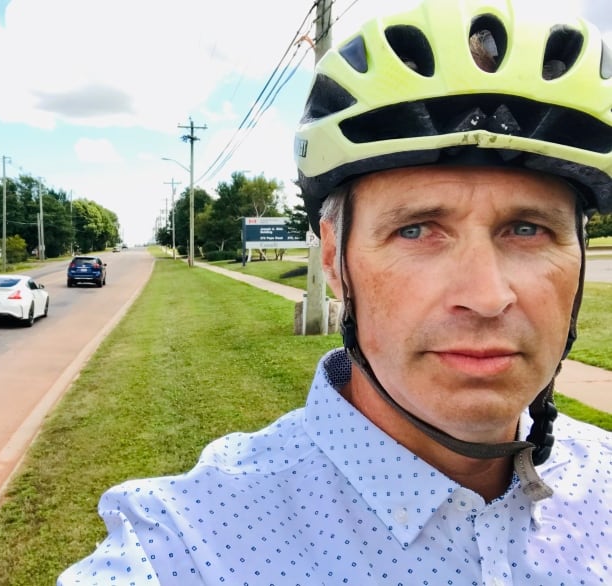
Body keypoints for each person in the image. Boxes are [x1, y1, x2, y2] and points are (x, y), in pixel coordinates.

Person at [59, 0, 612, 583]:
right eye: (416, 229)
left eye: (528, 229)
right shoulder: (189, 545)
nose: (485, 295)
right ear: (333, 256)